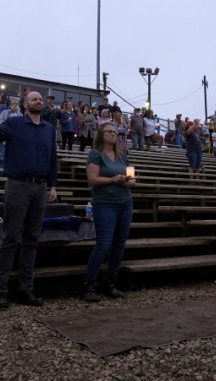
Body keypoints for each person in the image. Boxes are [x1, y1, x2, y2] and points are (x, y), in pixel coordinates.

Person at [0, 91, 58, 309]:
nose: (39, 101)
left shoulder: (50, 129)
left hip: (40, 187)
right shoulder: (16, 123)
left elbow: (52, 158)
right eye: (34, 99)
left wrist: (53, 185)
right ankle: (1, 291)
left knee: (32, 239)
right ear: (26, 105)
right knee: (10, 237)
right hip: (18, 185)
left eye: (40, 99)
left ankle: (26, 290)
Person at [81, 122, 136, 302]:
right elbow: (92, 179)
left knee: (119, 245)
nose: (114, 134)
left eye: (115, 132)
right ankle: (89, 284)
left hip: (125, 202)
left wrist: (125, 182)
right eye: (110, 131)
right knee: (104, 244)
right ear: (101, 134)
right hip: (104, 203)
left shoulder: (122, 155)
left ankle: (110, 282)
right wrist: (114, 179)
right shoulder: (96, 154)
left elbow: (132, 179)